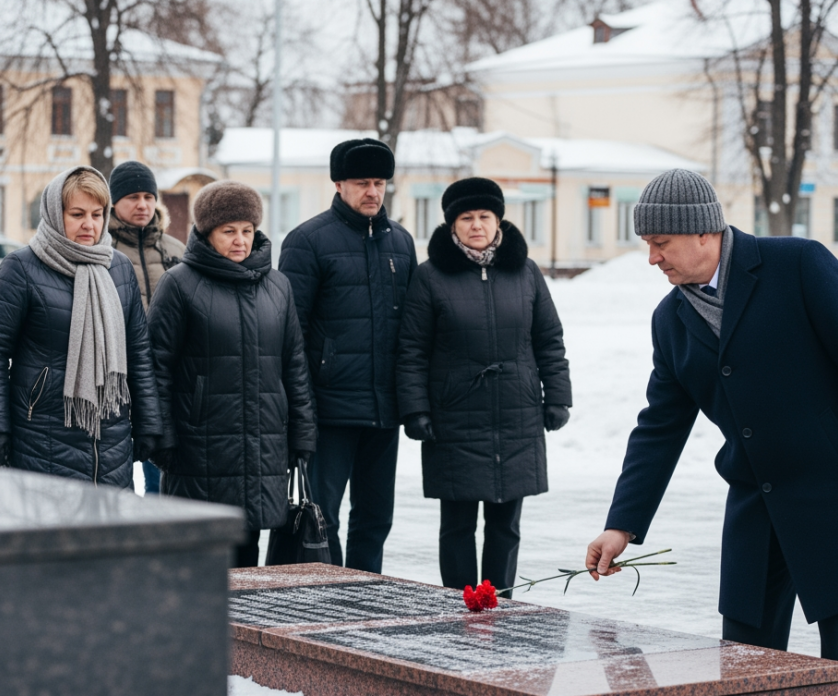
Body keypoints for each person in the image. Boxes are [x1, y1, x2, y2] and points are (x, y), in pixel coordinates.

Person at [583, 169, 838, 696]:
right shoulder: (670, 320)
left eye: (661, 242)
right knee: (745, 662)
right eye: (648, 244)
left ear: (703, 232)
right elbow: (659, 426)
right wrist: (622, 525)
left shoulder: (799, 265)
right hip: (756, 505)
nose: (652, 257)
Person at [397, 178, 572, 596]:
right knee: (457, 524)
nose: (476, 225)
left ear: (498, 221)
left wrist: (558, 397)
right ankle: (462, 602)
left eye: (484, 216)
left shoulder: (526, 272)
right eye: (466, 218)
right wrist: (415, 410)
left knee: (506, 524)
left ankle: (498, 602)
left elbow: (549, 339)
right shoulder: (430, 276)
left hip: (516, 412)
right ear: (451, 225)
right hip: (454, 416)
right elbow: (411, 349)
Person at [147, 181, 317, 567]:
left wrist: (302, 434)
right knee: (200, 560)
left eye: (247, 230)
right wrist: (161, 440)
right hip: (199, 447)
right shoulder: (179, 284)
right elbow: (157, 367)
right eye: (229, 231)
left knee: (247, 559)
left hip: (263, 446)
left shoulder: (277, 286)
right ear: (208, 232)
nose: (240, 240)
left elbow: (294, 365)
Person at [278, 139, 416, 573]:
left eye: (379, 183)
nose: (373, 191)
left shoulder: (401, 242)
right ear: (339, 184)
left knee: (376, 518)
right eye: (362, 183)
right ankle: (331, 594)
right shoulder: (307, 241)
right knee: (324, 518)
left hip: (384, 409)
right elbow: (291, 332)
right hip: (330, 409)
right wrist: (300, 407)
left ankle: (365, 592)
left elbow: (412, 330)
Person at [0, 166, 160, 487]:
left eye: (97, 214)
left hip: (111, 437)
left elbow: (139, 353)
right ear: (55, 214)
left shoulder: (119, 268)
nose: (89, 224)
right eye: (77, 214)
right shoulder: (21, 268)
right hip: (41, 434)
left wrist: (148, 423)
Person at [107, 160, 185, 495]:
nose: (142, 204)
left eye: (149, 197)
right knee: (115, 473)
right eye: (133, 197)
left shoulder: (176, 250)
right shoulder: (101, 250)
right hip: (117, 379)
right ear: (114, 202)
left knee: (160, 475)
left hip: (165, 381)